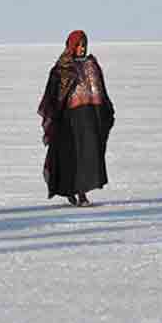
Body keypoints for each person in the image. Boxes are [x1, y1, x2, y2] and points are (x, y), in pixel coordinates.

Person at [38, 30, 114, 206]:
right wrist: (54, 117)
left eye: (84, 45)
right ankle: (76, 192)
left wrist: (105, 110)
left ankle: (81, 191)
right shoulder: (62, 68)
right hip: (69, 119)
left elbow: (101, 90)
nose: (82, 48)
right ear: (71, 46)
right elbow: (53, 95)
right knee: (72, 156)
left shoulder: (92, 65)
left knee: (88, 155)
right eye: (78, 45)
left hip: (90, 116)